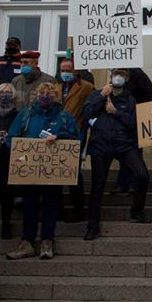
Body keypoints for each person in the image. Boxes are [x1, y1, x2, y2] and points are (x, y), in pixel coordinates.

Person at [5, 82, 78, 260]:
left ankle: (47, 240)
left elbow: (76, 137)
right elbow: (12, 138)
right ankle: (27, 241)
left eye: (50, 93)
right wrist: (21, 153)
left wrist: (59, 137)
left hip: (52, 170)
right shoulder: (26, 115)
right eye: (42, 93)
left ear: (55, 96)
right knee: (29, 205)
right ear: (37, 95)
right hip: (30, 167)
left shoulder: (64, 116)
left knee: (51, 205)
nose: (46, 96)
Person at [82, 69, 151, 241]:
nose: (119, 77)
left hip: (124, 145)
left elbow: (133, 123)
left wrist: (116, 112)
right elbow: (87, 114)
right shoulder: (98, 94)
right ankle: (92, 225)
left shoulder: (130, 98)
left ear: (127, 79)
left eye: (122, 75)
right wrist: (101, 96)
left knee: (142, 175)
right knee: (98, 186)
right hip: (101, 145)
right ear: (111, 77)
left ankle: (137, 212)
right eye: (116, 74)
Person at [55, 57, 95, 223]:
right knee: (55, 171)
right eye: (62, 70)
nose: (65, 73)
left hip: (75, 133)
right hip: (56, 134)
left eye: (68, 70)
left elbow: (91, 108)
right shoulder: (56, 87)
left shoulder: (86, 87)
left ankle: (77, 210)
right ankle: (58, 209)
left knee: (73, 172)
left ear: (76, 71)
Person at [113, 67, 152, 194]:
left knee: (135, 152)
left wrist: (142, 115)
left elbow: (149, 97)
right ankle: (123, 182)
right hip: (120, 119)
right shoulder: (115, 74)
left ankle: (133, 183)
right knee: (123, 153)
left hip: (136, 119)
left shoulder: (139, 76)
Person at [0, 83, 19, 239]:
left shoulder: (19, 114)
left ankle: (5, 226)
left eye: (8, 92)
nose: (5, 94)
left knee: (7, 195)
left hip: (10, 159)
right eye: (2, 92)